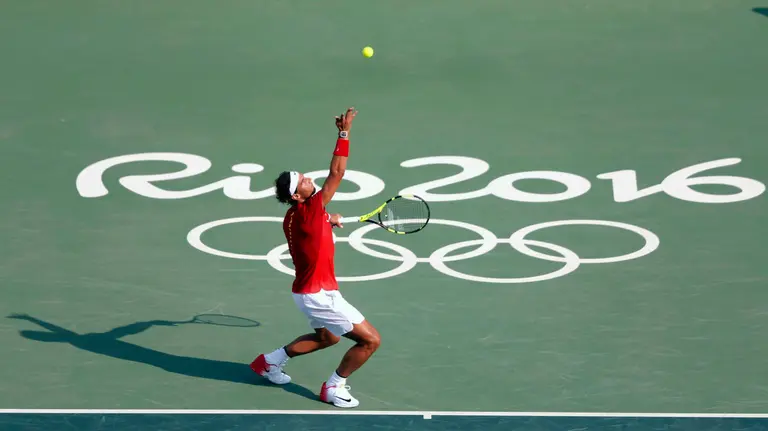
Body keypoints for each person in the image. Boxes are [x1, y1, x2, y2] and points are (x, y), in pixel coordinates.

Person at [250, 107, 381, 409]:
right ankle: (334, 387)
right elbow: (337, 172)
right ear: (298, 196)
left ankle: (268, 362)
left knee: (328, 338)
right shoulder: (311, 210)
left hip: (304, 292)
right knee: (370, 341)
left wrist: (326, 220)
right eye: (305, 182)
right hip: (321, 296)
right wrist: (343, 133)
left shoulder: (294, 216)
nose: (311, 181)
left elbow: (312, 231)